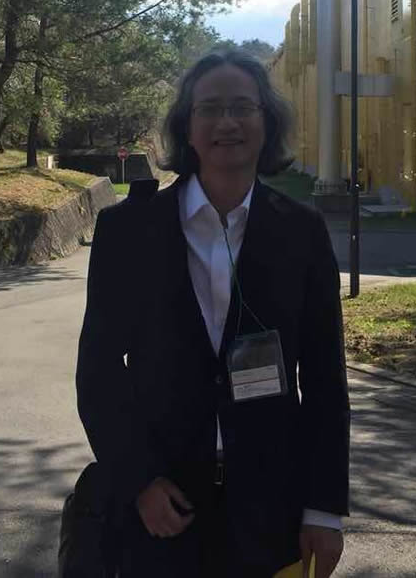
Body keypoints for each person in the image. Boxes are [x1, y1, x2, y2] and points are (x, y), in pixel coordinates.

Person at [76, 49, 350, 577]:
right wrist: (139, 481)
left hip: (273, 511)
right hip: (162, 510)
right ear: (188, 126)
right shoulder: (128, 232)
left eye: (243, 107)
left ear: (267, 123)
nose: (228, 122)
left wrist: (323, 507)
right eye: (211, 109)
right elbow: (99, 371)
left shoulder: (302, 231)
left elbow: (324, 378)